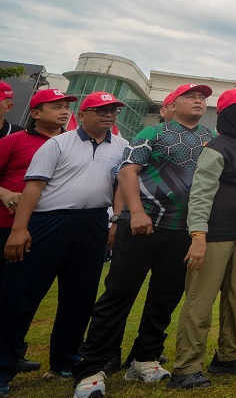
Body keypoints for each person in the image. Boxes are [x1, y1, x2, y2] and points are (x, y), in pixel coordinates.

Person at [73, 84, 215, 395]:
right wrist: (135, 212)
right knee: (118, 295)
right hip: (141, 226)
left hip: (182, 231)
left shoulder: (211, 139)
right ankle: (92, 367)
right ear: (172, 105)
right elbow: (127, 172)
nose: (199, 101)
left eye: (202, 98)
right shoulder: (154, 133)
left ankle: (145, 357)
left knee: (165, 297)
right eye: (191, 96)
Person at [1, 93, 129, 396]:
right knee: (20, 295)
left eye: (113, 110)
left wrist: (115, 220)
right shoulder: (58, 143)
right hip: (49, 221)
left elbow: (121, 185)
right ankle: (4, 366)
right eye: (101, 110)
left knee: (80, 296)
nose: (109, 115)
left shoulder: (122, 146)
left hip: (93, 222)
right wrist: (19, 229)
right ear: (82, 115)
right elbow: (34, 187)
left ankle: (66, 359)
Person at [168, 88, 236, 388]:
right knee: (200, 302)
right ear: (230, 113)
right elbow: (200, 194)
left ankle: (228, 356)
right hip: (214, 235)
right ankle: (186, 368)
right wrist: (198, 236)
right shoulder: (216, 147)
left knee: (235, 299)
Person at [0, 88, 78, 376]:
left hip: (50, 228)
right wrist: (5, 191)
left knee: (34, 295)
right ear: (35, 113)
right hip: (9, 227)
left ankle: (28, 355)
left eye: (66, 106)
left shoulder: (74, 143)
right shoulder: (14, 141)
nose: (63, 111)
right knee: (11, 297)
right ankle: (8, 358)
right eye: (55, 106)